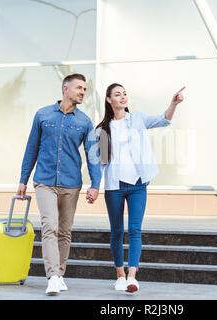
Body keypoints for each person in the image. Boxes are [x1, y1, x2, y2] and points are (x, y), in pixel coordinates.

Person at [94, 83, 185, 293]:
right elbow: (102, 161)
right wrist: (95, 186)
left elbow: (164, 119)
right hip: (114, 186)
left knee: (135, 230)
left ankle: (132, 277)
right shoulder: (102, 129)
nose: (123, 97)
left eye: (125, 93)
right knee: (116, 232)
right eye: (117, 94)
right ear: (109, 100)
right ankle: (119, 275)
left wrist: (173, 104)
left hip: (137, 185)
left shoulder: (138, 119)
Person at [17, 73, 101, 296]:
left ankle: (59, 275)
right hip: (44, 181)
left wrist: (95, 184)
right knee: (49, 226)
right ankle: (53, 276)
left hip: (71, 184)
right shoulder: (43, 114)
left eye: (84, 89)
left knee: (64, 231)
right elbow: (31, 148)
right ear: (66, 89)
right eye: (79, 88)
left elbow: (93, 155)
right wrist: (23, 180)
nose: (83, 92)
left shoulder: (84, 121)